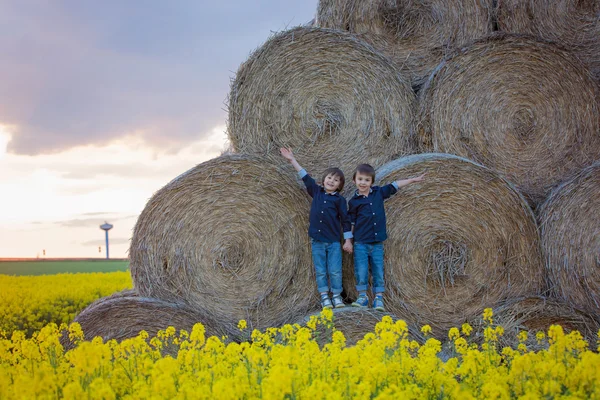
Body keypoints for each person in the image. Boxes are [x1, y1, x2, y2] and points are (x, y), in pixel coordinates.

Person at [280, 147, 353, 309]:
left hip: (333, 242)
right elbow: (305, 177)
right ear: (324, 179)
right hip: (317, 241)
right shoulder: (317, 192)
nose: (331, 181)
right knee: (320, 270)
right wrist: (292, 160)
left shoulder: (340, 201)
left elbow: (346, 221)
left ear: (340, 185)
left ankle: (337, 296)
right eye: (329, 178)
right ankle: (325, 297)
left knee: (335, 270)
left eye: (336, 180)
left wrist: (348, 240)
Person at [349, 163, 425, 311]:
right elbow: (351, 222)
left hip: (377, 243)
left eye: (366, 180)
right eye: (360, 179)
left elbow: (395, 185)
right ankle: (362, 296)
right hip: (361, 243)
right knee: (361, 270)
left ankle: (379, 298)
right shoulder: (353, 202)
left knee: (378, 270)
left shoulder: (378, 193)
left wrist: (413, 180)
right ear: (354, 181)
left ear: (371, 182)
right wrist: (348, 241)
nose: (363, 183)